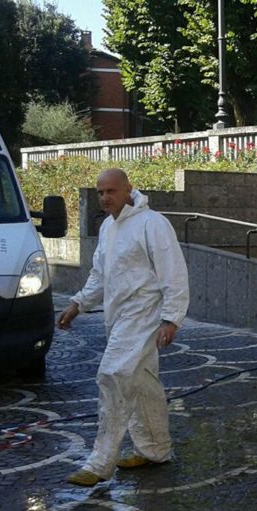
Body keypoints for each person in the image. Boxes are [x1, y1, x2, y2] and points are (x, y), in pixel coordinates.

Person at [57, 168, 190, 487]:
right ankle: (155, 449)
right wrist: (78, 304)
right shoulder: (108, 228)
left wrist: (171, 318)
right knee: (142, 383)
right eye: (100, 192)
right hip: (118, 318)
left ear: (128, 190)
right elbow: (100, 275)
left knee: (113, 375)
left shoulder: (153, 223)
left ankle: (100, 462)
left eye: (111, 191)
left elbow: (173, 273)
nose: (104, 197)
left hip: (144, 316)